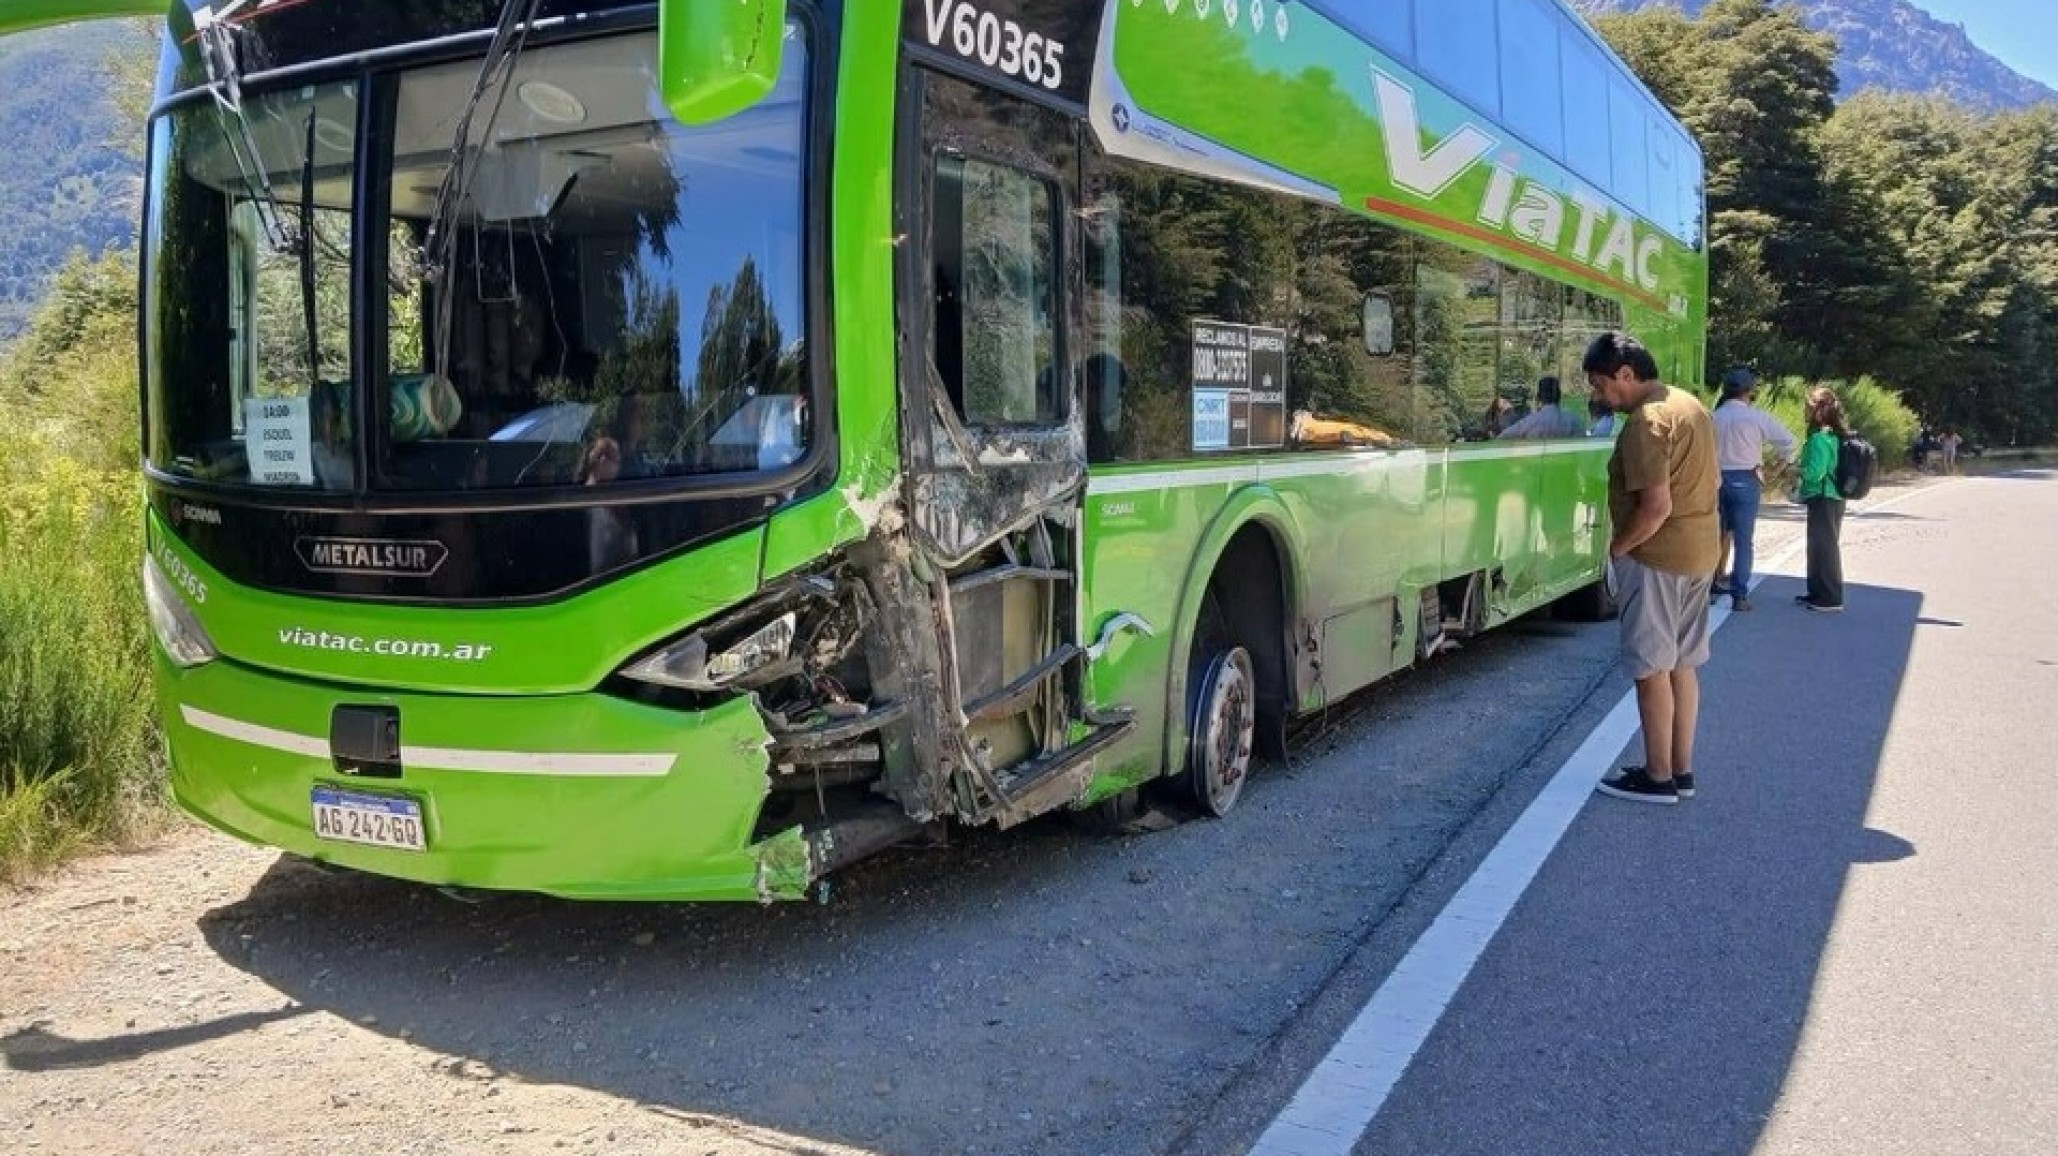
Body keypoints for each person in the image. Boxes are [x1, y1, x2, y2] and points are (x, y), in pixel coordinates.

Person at [1584, 332, 1720, 805]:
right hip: (1700, 553)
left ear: (1625, 373)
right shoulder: (1689, 405)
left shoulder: (1647, 422)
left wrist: (1618, 549)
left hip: (1657, 557)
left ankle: (1657, 776)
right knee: (1683, 664)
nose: (1600, 396)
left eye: (1602, 385)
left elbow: (1655, 508)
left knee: (1650, 668)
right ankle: (1681, 769)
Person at [1708, 367, 1796, 611]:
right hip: (1747, 478)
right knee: (1744, 541)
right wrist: (1776, 468)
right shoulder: (1756, 418)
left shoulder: (1713, 418)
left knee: (1714, 537)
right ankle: (1739, 595)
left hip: (1715, 479)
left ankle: (1708, 585)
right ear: (1749, 391)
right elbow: (1789, 442)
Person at [1795, 387, 1848, 613]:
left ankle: (1830, 597)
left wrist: (1798, 470)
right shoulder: (1834, 436)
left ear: (1818, 411)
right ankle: (1817, 592)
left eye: (1808, 407)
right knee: (1820, 545)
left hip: (1822, 495)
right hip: (1833, 496)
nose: (1804, 411)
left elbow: (1815, 472)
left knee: (1824, 547)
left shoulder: (1819, 439)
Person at [1497, 376, 1587, 439]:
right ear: (1559, 396)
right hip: (1569, 466)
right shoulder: (1574, 421)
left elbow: (1502, 439)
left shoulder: (1529, 422)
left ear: (1538, 397)